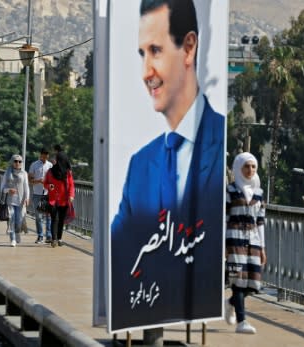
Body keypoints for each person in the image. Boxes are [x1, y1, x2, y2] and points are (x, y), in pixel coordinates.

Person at [109, 0, 225, 328]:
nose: (147, 72)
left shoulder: (219, 142)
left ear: (188, 48)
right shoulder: (140, 164)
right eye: (142, 54)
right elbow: (121, 249)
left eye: (156, 51)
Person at [225, 152, 266, 334]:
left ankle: (231, 303)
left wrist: (263, 247)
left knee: (252, 282)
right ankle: (242, 322)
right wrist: (224, 244)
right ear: (238, 168)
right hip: (234, 239)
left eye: (253, 167)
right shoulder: (230, 190)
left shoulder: (259, 193)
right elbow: (224, 218)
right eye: (246, 167)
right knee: (237, 280)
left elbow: (260, 222)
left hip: (254, 241)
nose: (250, 170)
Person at [43, 151, 75, 248]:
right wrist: (49, 186)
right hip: (53, 200)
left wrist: (71, 196)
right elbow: (45, 183)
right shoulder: (50, 171)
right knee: (54, 219)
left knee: (61, 220)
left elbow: (71, 185)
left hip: (64, 200)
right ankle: (54, 239)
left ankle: (59, 238)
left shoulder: (68, 173)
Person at [0, 154, 30, 247]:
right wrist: (9, 190)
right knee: (11, 219)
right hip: (10, 200)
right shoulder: (7, 173)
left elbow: (26, 187)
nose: (17, 163)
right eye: (15, 161)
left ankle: (17, 233)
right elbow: (2, 187)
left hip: (20, 201)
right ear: (12, 162)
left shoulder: (24, 173)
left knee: (19, 220)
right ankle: (12, 238)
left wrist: (27, 198)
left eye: (20, 161)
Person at [29, 148, 53, 244]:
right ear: (40, 155)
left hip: (48, 194)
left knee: (48, 216)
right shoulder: (34, 165)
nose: (45, 157)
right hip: (37, 194)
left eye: (47, 155)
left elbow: (53, 180)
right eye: (44, 155)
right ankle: (40, 236)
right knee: (38, 216)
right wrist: (39, 181)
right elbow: (30, 180)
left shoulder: (50, 165)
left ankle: (48, 235)